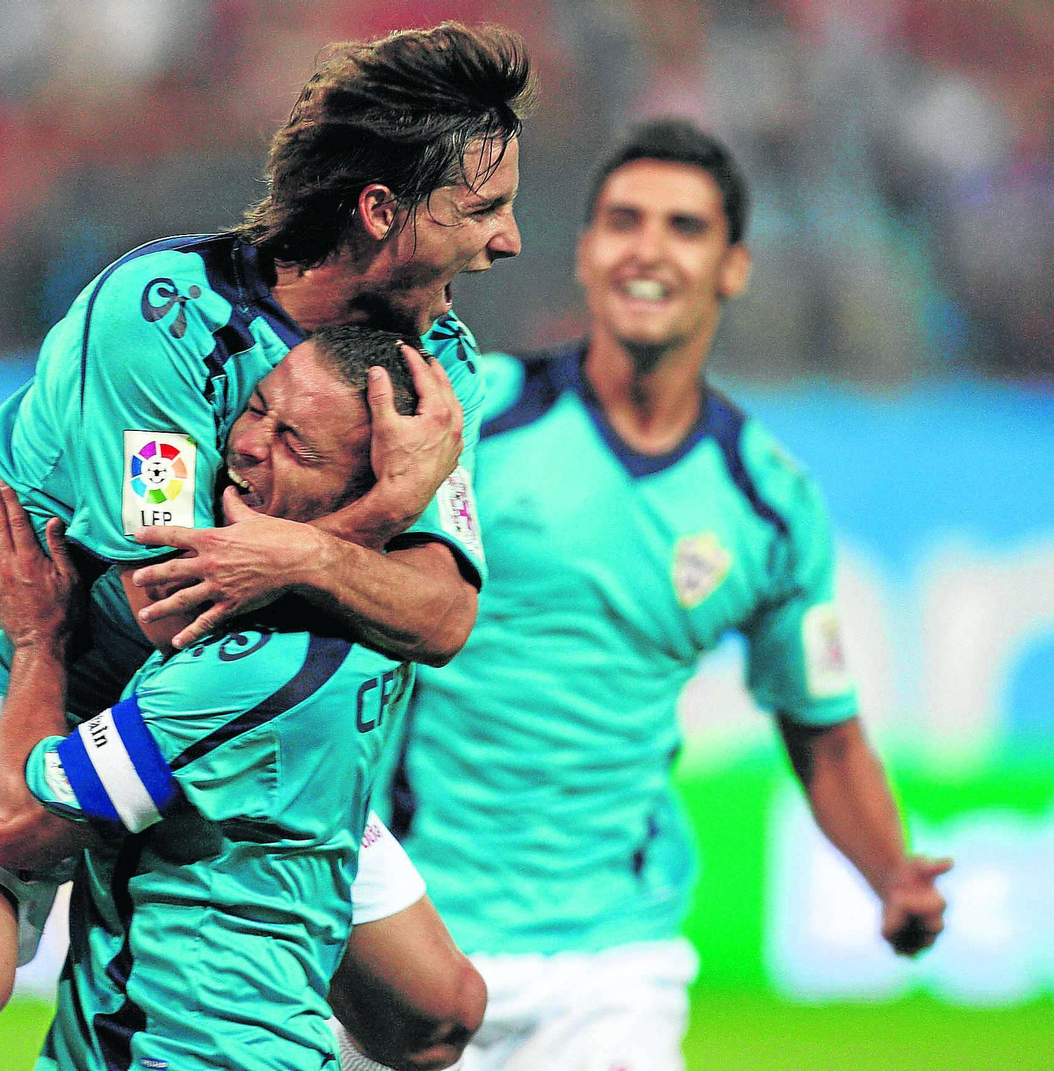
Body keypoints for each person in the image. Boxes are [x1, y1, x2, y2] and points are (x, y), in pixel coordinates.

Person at [0, 20, 533, 1071]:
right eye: (484, 209)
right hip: (13, 650)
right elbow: (168, 603)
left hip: (217, 705)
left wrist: (310, 555)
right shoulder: (161, 318)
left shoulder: (433, 366)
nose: (508, 242)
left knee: (434, 1014)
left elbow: (442, 614)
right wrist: (373, 521)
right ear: (381, 212)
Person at [391, 118, 953, 1071]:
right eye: (625, 221)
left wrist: (890, 872)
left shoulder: (766, 503)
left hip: (614, 966)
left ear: (733, 268)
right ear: (586, 253)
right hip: (409, 934)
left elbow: (824, 729)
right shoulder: (469, 414)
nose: (648, 249)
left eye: (684, 227)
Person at [0, 327, 432, 1071]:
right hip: (278, 1039)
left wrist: (37, 640)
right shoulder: (386, 621)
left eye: (296, 446)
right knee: (441, 1010)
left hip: (167, 1053)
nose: (247, 445)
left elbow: (20, 827)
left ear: (363, 485)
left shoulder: (238, 674)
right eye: (257, 408)